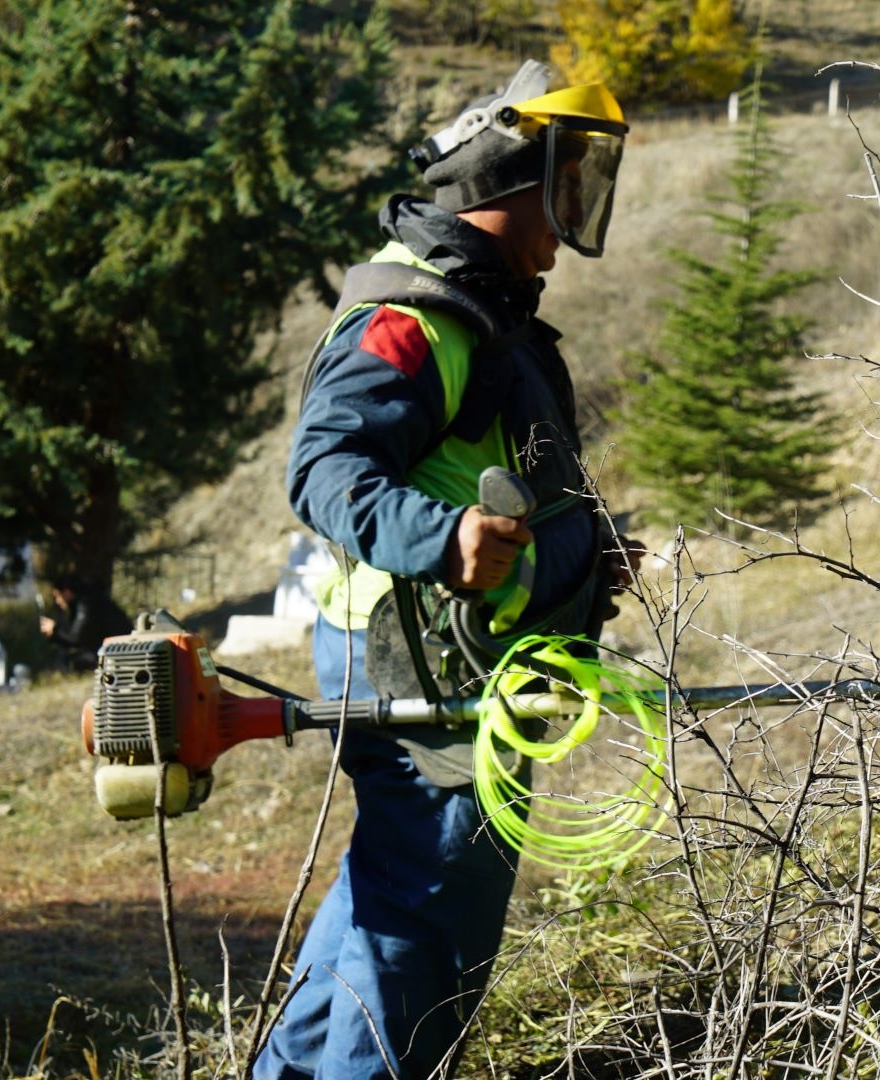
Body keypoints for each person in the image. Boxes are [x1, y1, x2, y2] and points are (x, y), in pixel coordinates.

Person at [255, 61, 638, 1079]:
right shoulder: (416, 317)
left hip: (452, 665)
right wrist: (445, 541)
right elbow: (325, 469)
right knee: (425, 933)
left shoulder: (484, 312)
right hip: (417, 670)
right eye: (565, 183)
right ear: (507, 182)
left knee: (390, 897)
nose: (572, 215)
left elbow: (502, 477)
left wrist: (586, 553)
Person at [37, 577, 132, 671]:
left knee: (67, 660)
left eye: (58, 596)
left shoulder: (85, 604)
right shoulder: (85, 601)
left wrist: (55, 629)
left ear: (67, 592)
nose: (57, 601)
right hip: (110, 648)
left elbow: (77, 638)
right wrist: (55, 634)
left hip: (117, 651)